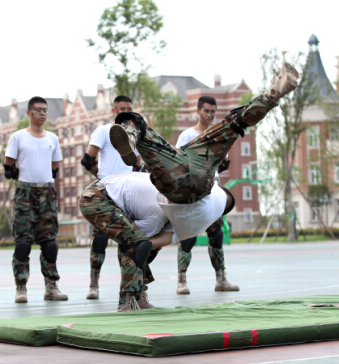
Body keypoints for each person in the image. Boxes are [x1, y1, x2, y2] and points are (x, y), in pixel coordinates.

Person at [102, 62, 298, 310]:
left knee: (228, 124)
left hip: (180, 171)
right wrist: (141, 246)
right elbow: (160, 238)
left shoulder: (213, 196)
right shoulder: (201, 220)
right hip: (196, 182)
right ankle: (275, 93)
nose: (210, 114)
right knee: (234, 125)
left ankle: (133, 134)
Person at [80, 95, 147, 300]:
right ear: (113, 110)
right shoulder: (103, 131)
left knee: (127, 240)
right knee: (100, 239)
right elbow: (87, 159)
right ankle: (94, 283)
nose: (125, 111)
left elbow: (137, 164)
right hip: (106, 190)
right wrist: (102, 179)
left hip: (128, 191)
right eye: (122, 108)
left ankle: (127, 287)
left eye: (129, 108)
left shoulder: (134, 134)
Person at [79, 172, 175, 311]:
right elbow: (140, 245)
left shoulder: (164, 195)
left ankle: (137, 296)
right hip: (96, 198)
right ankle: (128, 300)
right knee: (138, 244)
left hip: (103, 193)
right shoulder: (158, 215)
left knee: (135, 241)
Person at [3, 96, 66, 303]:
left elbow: (55, 165)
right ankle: (21, 287)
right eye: (38, 110)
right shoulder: (18, 137)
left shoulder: (53, 139)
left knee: (49, 242)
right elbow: (9, 164)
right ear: (29, 113)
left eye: (45, 110)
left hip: (47, 193)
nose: (42, 113)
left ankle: (51, 286)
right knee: (23, 242)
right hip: (25, 193)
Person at [174, 96, 238, 294]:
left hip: (213, 191)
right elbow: (177, 163)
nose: (210, 115)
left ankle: (221, 279)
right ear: (198, 111)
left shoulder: (216, 135)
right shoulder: (187, 135)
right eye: (207, 111)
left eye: (213, 111)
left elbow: (224, 162)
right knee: (189, 236)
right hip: (193, 193)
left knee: (216, 234)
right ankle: (181, 281)